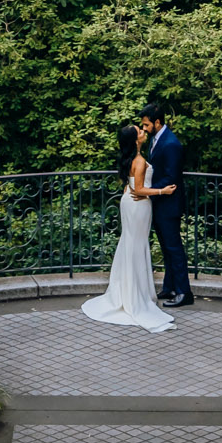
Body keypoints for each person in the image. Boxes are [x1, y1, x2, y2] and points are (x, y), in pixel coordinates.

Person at [81, 121, 176, 331]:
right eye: (139, 131)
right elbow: (141, 189)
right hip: (138, 205)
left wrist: (130, 189)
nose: (143, 132)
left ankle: (131, 291)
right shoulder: (139, 160)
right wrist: (163, 191)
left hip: (131, 203)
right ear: (135, 140)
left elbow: (133, 185)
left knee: (131, 244)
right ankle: (134, 296)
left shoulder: (132, 159)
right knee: (135, 246)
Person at [140, 101, 193, 306]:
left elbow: (171, 177)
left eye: (146, 124)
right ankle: (169, 287)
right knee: (166, 248)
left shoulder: (171, 144)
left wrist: (149, 192)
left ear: (157, 122)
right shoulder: (157, 139)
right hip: (160, 203)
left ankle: (184, 292)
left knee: (174, 248)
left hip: (169, 204)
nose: (144, 128)